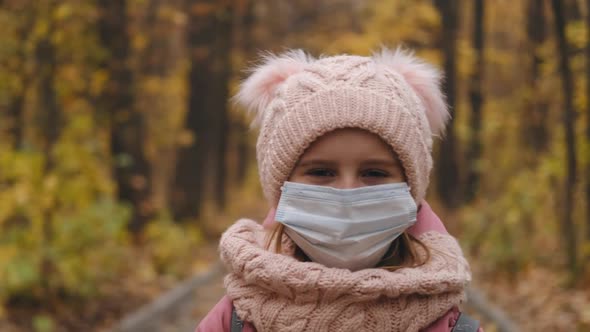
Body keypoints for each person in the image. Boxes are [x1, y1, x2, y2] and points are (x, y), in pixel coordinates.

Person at [196, 47, 482, 332]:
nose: (347, 193)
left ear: (411, 189)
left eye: (374, 173)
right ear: (281, 188)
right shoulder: (233, 321)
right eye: (321, 172)